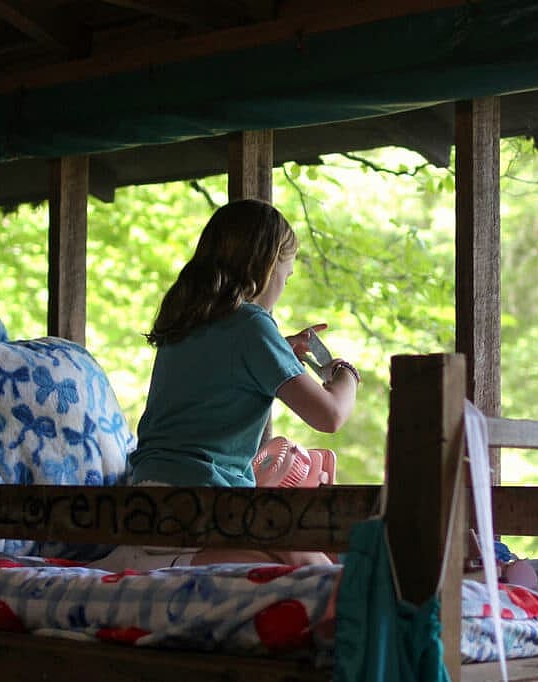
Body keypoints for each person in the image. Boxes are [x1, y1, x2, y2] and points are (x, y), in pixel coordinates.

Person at [91, 198, 360, 571]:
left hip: (151, 501)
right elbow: (330, 415)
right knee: (298, 549)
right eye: (287, 275)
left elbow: (220, 373)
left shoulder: (187, 319)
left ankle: (152, 559)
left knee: (275, 559)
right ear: (269, 266)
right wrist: (344, 372)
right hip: (202, 500)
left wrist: (278, 350)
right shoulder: (252, 325)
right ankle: (350, 594)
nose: (284, 285)